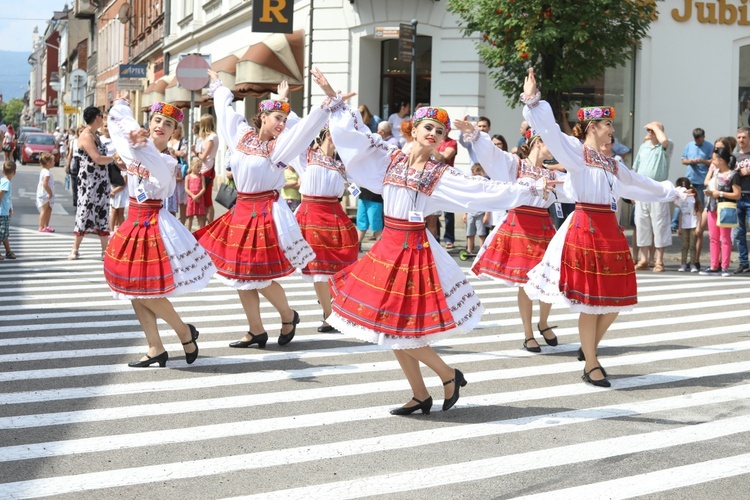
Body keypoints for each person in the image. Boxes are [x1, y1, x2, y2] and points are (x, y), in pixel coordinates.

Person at [314, 68, 555, 414]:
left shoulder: (437, 174)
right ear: (412, 128)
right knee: (387, 327)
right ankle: (421, 392)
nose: (434, 134)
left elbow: (481, 191)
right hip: (387, 248)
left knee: (399, 328)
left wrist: (529, 188)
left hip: (411, 251)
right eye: (428, 127)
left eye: (440, 131)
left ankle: (447, 374)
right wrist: (334, 102)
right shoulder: (389, 158)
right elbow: (354, 139)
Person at [520, 67, 687, 388]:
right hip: (586, 228)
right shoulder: (576, 152)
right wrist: (533, 101)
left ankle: (589, 349)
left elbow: (639, 184)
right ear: (592, 128)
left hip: (609, 230)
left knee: (615, 300)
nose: (613, 130)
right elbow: (551, 131)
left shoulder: (613, 163)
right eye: (608, 124)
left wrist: (672, 192)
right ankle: (591, 363)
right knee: (593, 300)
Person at [198, 70, 332, 348]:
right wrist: (219, 87)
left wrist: (326, 101)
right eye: (277, 118)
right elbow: (226, 112)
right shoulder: (242, 135)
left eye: (284, 119)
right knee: (239, 276)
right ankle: (256, 329)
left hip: (263, 214)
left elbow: (305, 128)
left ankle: (287, 315)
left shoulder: (280, 147)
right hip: (241, 211)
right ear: (262, 117)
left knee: (257, 274)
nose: (282, 123)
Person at [104, 98, 215, 367]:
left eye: (168, 124)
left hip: (153, 223)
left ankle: (183, 331)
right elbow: (116, 122)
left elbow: (161, 182)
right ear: (149, 122)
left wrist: (137, 147)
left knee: (148, 290)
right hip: (133, 220)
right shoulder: (134, 147)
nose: (161, 126)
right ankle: (155, 346)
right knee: (133, 289)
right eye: (157, 121)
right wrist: (122, 108)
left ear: (174, 132)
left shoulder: (166, 161)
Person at [460, 122, 571, 353]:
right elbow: (493, 156)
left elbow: (576, 188)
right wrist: (476, 135)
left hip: (542, 225)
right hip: (520, 224)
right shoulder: (515, 165)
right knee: (525, 281)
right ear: (538, 143)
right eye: (551, 143)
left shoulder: (553, 173)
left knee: (547, 278)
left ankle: (543, 323)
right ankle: (528, 333)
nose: (555, 149)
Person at [292, 126, 359, 332]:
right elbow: (295, 132)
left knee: (337, 266)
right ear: (329, 133)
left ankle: (336, 308)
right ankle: (329, 314)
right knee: (318, 268)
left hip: (334, 214)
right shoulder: (307, 155)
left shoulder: (342, 165)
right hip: (311, 214)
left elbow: (357, 185)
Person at [68, 107, 116, 261]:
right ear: (96, 117)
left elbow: (102, 159)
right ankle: (74, 249)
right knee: (84, 211)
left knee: (102, 212)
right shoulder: (86, 136)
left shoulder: (96, 135)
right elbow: (97, 158)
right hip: (89, 182)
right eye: (101, 116)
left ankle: (104, 250)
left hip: (101, 180)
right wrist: (114, 157)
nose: (103, 119)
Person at [632, 121, 674, 272]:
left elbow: (664, 140)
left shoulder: (666, 146)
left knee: (659, 224)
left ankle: (659, 260)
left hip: (658, 188)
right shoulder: (643, 147)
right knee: (642, 223)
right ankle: (644, 259)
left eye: (652, 129)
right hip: (643, 190)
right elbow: (635, 169)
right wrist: (633, 190)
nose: (649, 131)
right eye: (648, 129)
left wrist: (656, 128)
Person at [700, 147, 741, 277]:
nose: (712, 160)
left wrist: (721, 193)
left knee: (725, 238)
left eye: (714, 158)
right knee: (713, 238)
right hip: (712, 207)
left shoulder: (733, 175)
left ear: (721, 160)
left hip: (726, 208)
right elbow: (707, 183)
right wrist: (710, 193)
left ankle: (724, 267)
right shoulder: (715, 172)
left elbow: (737, 194)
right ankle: (713, 266)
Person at [673, 128, 713, 232]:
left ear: (703, 137)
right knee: (682, 201)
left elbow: (712, 162)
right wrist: (690, 161)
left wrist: (702, 161)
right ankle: (674, 224)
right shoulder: (689, 145)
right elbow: (683, 160)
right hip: (690, 178)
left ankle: (699, 224)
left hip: (702, 179)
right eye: (695, 140)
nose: (697, 142)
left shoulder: (709, 146)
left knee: (699, 203)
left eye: (699, 140)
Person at [192, 114, 218, 224]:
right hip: (205, 168)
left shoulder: (212, 138)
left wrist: (196, 152)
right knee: (204, 199)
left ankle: (210, 223)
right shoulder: (208, 137)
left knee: (207, 199)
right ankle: (205, 221)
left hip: (207, 169)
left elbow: (203, 156)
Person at [462, 163, 490, 254]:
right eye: (475, 174)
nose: (477, 177)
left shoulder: (485, 185)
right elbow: (467, 200)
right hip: (471, 212)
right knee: (470, 233)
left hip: (481, 213)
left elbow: (487, 201)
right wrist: (464, 213)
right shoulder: (470, 185)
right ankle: (469, 250)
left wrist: (487, 214)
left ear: (483, 173)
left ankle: (482, 251)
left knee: (481, 233)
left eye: (479, 174)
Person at [674, 177, 701, 272]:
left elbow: (698, 213)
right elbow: (681, 213)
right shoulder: (681, 200)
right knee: (684, 245)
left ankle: (693, 263)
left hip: (693, 224)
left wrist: (698, 226)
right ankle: (683, 263)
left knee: (692, 245)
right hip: (685, 225)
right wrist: (679, 227)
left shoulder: (694, 199)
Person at [733, 127, 750, 274]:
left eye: (743, 137)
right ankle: (744, 263)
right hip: (738, 198)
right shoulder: (734, 157)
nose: (741, 140)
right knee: (739, 233)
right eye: (739, 137)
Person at [168, 123, 188, 223]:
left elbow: (183, 154)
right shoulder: (166, 140)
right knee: (171, 199)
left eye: (176, 129)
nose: (174, 131)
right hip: (168, 171)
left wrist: (173, 151)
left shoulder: (182, 141)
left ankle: (183, 223)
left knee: (182, 200)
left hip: (179, 169)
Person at [65, 126, 85, 209]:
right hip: (74, 162)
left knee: (83, 182)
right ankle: (75, 200)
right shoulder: (74, 141)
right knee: (75, 183)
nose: (82, 133)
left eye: (83, 131)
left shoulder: (87, 141)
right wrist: (67, 165)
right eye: (80, 131)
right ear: (77, 132)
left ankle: (82, 200)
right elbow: (70, 154)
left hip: (83, 162)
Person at [0, 161, 16, 261]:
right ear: (14, 172)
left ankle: (8, 251)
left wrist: (10, 208)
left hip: (4, 212)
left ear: (3, 171)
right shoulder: (6, 182)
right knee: (2, 233)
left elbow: (7, 198)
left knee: (4, 233)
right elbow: (1, 193)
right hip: (1, 213)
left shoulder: (3, 180)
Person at [185, 157, 207, 230]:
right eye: (197, 167)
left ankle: (200, 232)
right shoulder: (188, 177)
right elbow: (186, 188)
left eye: (200, 167)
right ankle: (188, 233)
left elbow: (203, 188)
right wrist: (193, 196)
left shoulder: (201, 176)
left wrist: (197, 196)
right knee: (190, 217)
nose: (199, 169)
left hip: (199, 199)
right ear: (192, 166)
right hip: (191, 199)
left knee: (200, 216)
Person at [36, 153, 56, 233]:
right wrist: (50, 193)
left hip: (45, 193)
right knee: (44, 210)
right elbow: (45, 183)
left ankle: (46, 225)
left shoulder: (45, 171)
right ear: (48, 162)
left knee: (48, 209)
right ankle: (41, 226)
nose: (54, 162)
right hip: (45, 194)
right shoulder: (47, 173)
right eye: (53, 161)